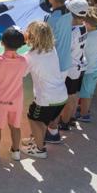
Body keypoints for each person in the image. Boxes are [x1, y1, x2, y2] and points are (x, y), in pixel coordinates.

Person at [21, 21, 68, 159]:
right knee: (42, 120)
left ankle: (39, 149)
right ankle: (37, 139)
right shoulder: (51, 49)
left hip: (46, 99)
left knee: (34, 118)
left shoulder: (30, 57)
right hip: (61, 96)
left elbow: (22, 73)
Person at [0, 27, 27, 164]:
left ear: (2, 43)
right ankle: (16, 152)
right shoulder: (23, 61)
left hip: (0, 101)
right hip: (16, 101)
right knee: (15, 126)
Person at [43, 0, 72, 144]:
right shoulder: (67, 12)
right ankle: (53, 129)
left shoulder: (52, 19)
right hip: (65, 63)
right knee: (57, 97)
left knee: (48, 100)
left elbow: (45, 41)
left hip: (54, 65)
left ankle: (48, 132)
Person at [58, 0, 89, 131]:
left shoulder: (71, 32)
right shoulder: (83, 27)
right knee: (74, 95)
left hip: (71, 69)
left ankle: (64, 122)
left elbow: (63, 49)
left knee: (69, 97)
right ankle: (70, 117)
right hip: (80, 65)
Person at [77, 7, 97, 122]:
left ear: (88, 24)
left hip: (89, 71)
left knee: (85, 94)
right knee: (87, 92)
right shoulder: (96, 32)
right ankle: (83, 110)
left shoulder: (88, 37)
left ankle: (84, 114)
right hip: (95, 68)